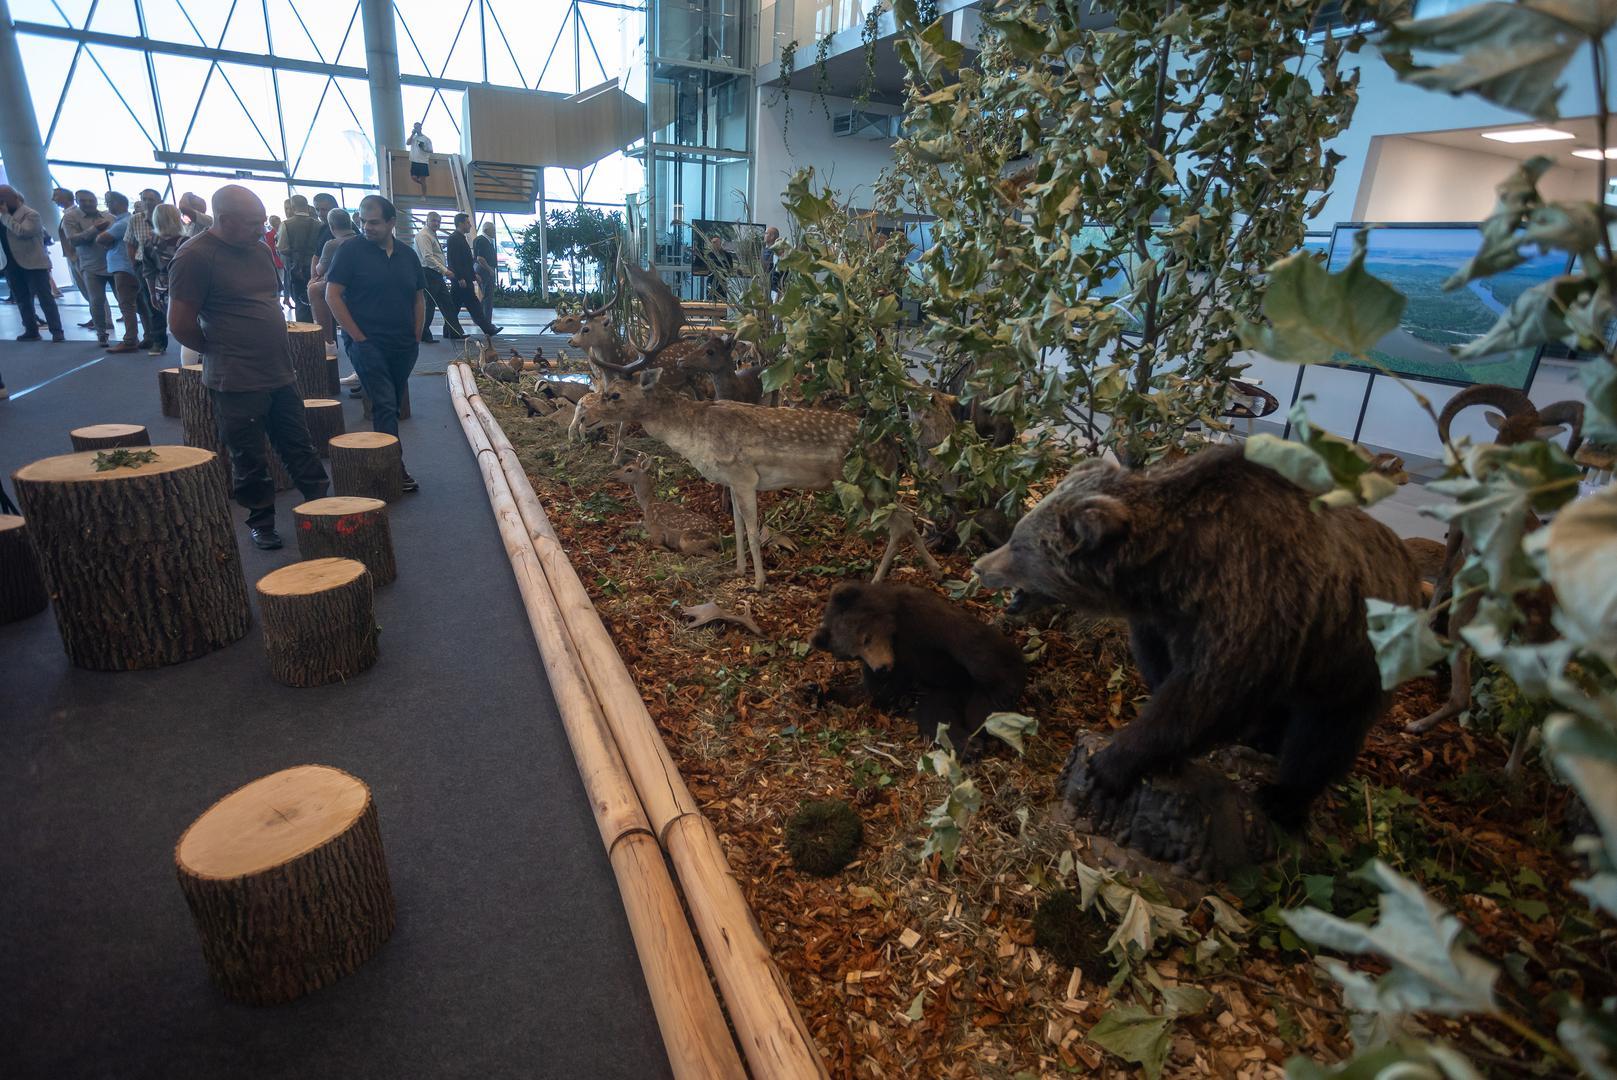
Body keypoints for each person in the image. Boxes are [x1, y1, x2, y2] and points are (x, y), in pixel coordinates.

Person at [166, 185, 329, 550]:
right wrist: (221, 349)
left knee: (298, 444)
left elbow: (268, 299)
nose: (262, 229)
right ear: (225, 221)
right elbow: (180, 324)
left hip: (279, 371)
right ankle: (262, 521)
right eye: (254, 223)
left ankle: (323, 507)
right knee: (248, 455)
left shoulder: (257, 249)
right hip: (235, 380)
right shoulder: (194, 257)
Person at [325, 194, 425, 492]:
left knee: (391, 403)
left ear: (391, 222)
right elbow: (332, 295)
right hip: (367, 343)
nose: (367, 227)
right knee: (383, 403)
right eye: (363, 221)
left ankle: (384, 462)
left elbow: (418, 296)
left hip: (403, 343)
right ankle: (393, 469)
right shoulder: (350, 251)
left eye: (374, 222)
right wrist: (358, 337)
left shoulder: (407, 255)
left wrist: (416, 335)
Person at [0, 186, 65, 342]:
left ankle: (57, 332)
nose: (2, 204)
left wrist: (6, 216)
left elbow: (24, 232)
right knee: (22, 300)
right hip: (10, 265)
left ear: (15, 199)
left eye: (4, 200)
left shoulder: (31, 214)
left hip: (33, 263)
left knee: (45, 299)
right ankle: (31, 330)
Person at [98, 192, 151, 354]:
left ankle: (130, 340)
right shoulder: (128, 221)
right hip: (132, 268)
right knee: (141, 304)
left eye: (109, 203)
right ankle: (149, 335)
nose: (108, 206)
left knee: (127, 305)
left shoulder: (122, 223)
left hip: (124, 268)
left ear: (117, 203)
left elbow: (101, 239)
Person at [65, 190, 113, 344]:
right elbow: (73, 240)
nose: (87, 203)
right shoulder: (70, 218)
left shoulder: (109, 217)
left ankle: (132, 335)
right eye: (83, 200)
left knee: (126, 301)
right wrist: (95, 229)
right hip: (90, 266)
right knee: (96, 301)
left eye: (90, 200)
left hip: (113, 264)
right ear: (77, 201)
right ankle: (101, 333)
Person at [446, 212, 500, 336]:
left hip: (464, 278)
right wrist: (460, 277)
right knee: (474, 306)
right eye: (468, 223)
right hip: (461, 279)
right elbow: (454, 260)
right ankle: (488, 329)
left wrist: (474, 275)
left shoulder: (460, 238)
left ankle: (449, 331)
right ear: (461, 223)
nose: (470, 225)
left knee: (454, 307)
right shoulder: (454, 239)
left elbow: (466, 261)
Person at [309, 207, 356, 348]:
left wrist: (315, 273)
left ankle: (326, 341)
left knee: (314, 289)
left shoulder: (332, 244)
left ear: (331, 226)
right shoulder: (362, 241)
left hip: (341, 286)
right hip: (357, 283)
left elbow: (320, 269)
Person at [412, 210, 461, 341]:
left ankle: (455, 332)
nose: (436, 223)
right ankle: (423, 334)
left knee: (447, 303)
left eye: (438, 221)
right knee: (429, 306)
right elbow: (427, 257)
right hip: (428, 273)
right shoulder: (423, 235)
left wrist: (443, 270)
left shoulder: (432, 235)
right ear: (427, 221)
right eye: (433, 220)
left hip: (436, 274)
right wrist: (445, 270)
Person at [125, 189, 164, 350]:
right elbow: (130, 242)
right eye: (144, 199)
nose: (147, 202)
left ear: (159, 200)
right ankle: (158, 341)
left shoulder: (166, 216)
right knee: (152, 302)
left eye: (151, 199)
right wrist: (134, 263)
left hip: (167, 265)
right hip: (145, 266)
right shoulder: (135, 219)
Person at [144, 202, 184, 355]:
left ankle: (159, 344)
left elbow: (148, 272)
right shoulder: (187, 241)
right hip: (185, 287)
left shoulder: (149, 243)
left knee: (166, 319)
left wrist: (152, 293)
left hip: (162, 289)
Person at [52, 187, 94, 326]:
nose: (53, 199)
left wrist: (75, 256)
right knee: (86, 289)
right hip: (74, 256)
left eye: (56, 196)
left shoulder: (76, 215)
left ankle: (103, 319)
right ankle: (98, 317)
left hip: (79, 256)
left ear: (65, 198)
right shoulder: (68, 215)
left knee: (92, 289)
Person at [277, 194, 321, 322]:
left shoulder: (286, 224)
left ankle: (305, 338)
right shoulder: (319, 225)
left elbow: (282, 248)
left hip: (297, 270)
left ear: (292, 207)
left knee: (301, 305)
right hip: (317, 270)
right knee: (319, 304)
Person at [475, 220, 499, 325]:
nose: (495, 232)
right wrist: (490, 269)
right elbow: (480, 258)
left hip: (484, 270)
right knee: (487, 297)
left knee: (485, 296)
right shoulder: (482, 240)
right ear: (486, 230)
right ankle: (486, 322)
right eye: (493, 230)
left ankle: (485, 320)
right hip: (485, 271)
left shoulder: (484, 240)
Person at [408, 122, 432, 194]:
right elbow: (407, 143)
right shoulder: (413, 138)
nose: (416, 129)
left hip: (423, 161)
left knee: (423, 179)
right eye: (415, 127)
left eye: (417, 127)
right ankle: (422, 184)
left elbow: (431, 150)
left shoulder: (426, 139)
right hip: (414, 160)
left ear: (420, 128)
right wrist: (412, 134)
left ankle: (424, 195)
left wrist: (423, 148)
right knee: (413, 177)